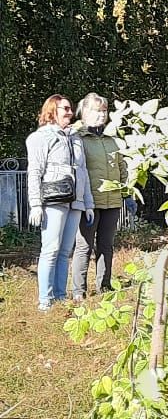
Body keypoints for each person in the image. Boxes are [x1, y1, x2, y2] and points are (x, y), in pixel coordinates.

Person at [26, 95, 94, 310]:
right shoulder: (40, 137)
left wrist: (88, 203)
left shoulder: (75, 138)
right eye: (64, 108)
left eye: (70, 109)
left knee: (65, 251)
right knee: (51, 249)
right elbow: (35, 171)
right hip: (53, 199)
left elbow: (83, 172)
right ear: (52, 111)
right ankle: (45, 301)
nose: (70, 112)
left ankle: (60, 296)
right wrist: (36, 204)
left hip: (75, 201)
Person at [71, 93, 135, 300]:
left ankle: (104, 287)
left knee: (106, 245)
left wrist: (127, 194)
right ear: (85, 112)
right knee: (84, 246)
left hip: (112, 201)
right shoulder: (77, 137)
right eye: (97, 111)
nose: (101, 115)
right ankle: (78, 291)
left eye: (104, 111)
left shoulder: (111, 139)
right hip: (89, 202)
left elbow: (121, 167)